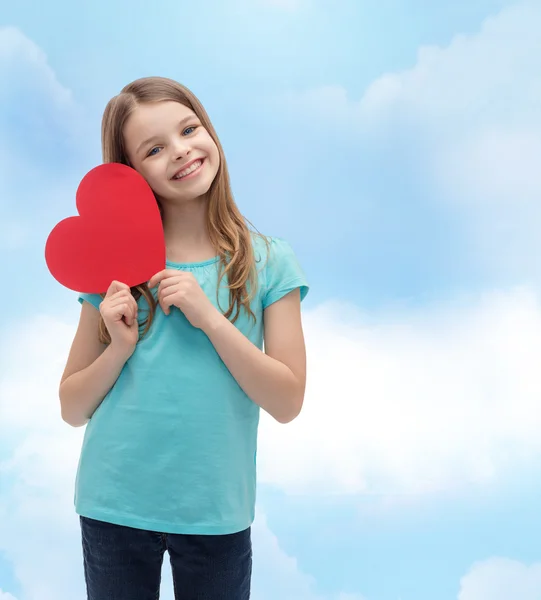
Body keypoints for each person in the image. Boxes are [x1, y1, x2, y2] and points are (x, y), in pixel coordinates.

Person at [58, 76, 309, 600]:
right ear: (131, 174)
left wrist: (210, 317)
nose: (181, 151)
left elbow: (286, 401)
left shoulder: (268, 261)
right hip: (114, 504)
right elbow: (72, 406)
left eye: (189, 129)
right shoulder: (112, 270)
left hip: (215, 510)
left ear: (208, 131)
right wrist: (120, 346)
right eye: (154, 148)